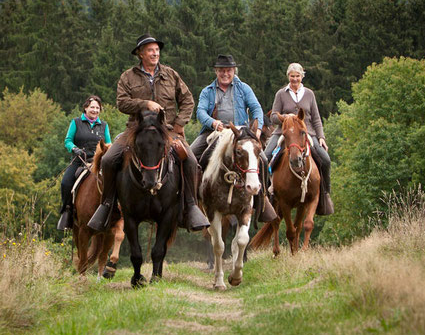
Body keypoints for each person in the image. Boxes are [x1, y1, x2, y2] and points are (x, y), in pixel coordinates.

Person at [88, 34, 210, 232]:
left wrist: (179, 123)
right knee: (109, 159)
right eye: (150, 50)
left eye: (157, 50)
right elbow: (121, 102)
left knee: (191, 161)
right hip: (135, 130)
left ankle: (191, 206)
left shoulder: (171, 74)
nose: (155, 53)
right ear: (140, 54)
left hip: (167, 130)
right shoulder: (128, 76)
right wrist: (145, 104)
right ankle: (107, 206)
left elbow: (188, 100)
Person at [191, 54, 277, 223]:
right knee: (191, 157)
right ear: (216, 71)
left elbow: (256, 108)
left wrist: (258, 129)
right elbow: (200, 112)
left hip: (240, 134)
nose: (225, 74)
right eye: (222, 70)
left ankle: (262, 200)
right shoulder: (207, 91)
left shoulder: (243, 88)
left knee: (264, 160)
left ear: (233, 71)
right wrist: (213, 122)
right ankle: (192, 202)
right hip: (214, 132)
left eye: (228, 70)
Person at [264, 62, 334, 215]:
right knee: (265, 156)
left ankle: (325, 195)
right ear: (288, 77)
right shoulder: (281, 94)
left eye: (297, 76)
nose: (294, 79)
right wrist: (284, 118)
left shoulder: (309, 94)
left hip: (306, 131)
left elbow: (316, 118)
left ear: (302, 76)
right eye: (292, 76)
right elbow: (274, 116)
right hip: (284, 132)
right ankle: (265, 194)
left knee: (326, 159)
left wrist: (321, 137)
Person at [57, 95, 111, 230]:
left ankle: (113, 211)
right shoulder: (76, 122)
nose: (95, 110)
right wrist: (74, 149)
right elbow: (68, 140)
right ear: (86, 108)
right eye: (92, 107)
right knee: (65, 183)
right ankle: (67, 211)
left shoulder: (104, 125)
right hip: (79, 160)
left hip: (98, 161)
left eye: (97, 108)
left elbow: (108, 143)